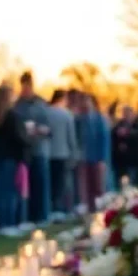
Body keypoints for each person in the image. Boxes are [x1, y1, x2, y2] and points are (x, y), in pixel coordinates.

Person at [0, 84, 30, 236]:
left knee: (0, 192)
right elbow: (19, 138)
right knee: (11, 192)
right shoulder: (12, 116)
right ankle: (9, 223)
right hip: (12, 158)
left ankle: (2, 222)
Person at [13, 71, 52, 227]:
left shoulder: (41, 104)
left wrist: (40, 130)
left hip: (39, 149)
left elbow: (49, 128)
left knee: (40, 185)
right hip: (23, 151)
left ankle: (41, 216)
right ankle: (26, 217)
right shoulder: (17, 105)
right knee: (24, 187)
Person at [47, 89, 78, 220]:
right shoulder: (66, 115)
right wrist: (74, 152)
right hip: (62, 152)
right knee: (61, 183)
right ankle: (59, 209)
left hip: (48, 153)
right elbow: (71, 136)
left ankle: (51, 208)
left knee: (51, 183)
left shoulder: (47, 113)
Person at [77, 95, 110, 212]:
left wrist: (102, 158)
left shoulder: (99, 119)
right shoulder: (79, 119)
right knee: (86, 186)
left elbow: (104, 139)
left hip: (97, 157)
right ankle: (89, 208)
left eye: (87, 101)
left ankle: (100, 208)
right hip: (84, 158)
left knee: (98, 185)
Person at [111, 105, 138, 187]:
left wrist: (127, 133)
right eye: (125, 113)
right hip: (120, 162)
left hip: (133, 162)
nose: (126, 116)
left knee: (132, 186)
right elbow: (114, 138)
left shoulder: (137, 126)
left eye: (128, 113)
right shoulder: (118, 126)